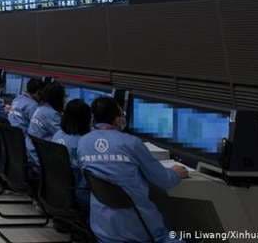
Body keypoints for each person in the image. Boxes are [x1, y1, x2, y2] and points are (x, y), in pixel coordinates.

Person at [79, 97, 188, 243]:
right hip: (136, 228)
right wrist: (175, 173)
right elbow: (164, 181)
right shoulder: (132, 143)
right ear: (117, 119)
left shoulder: (83, 142)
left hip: (102, 228)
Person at [52, 99, 92, 209]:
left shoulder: (57, 134)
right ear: (86, 120)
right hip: (77, 191)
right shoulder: (82, 142)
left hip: (56, 187)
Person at [26, 81, 65, 168]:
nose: (65, 99)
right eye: (64, 97)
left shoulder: (40, 108)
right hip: (40, 160)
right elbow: (63, 136)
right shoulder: (52, 114)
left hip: (31, 154)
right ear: (58, 99)